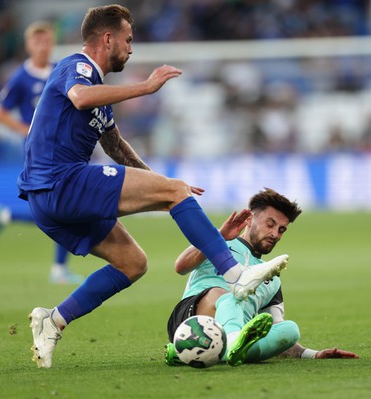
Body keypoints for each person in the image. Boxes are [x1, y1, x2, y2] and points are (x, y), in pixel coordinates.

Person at [18, 5, 289, 369]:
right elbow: (80, 98)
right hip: (59, 180)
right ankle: (236, 276)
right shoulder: (77, 67)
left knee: (133, 262)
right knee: (174, 191)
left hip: (48, 200)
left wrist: (160, 185)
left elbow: (115, 146)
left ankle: (54, 319)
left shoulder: (96, 90)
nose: (131, 49)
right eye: (128, 40)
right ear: (107, 38)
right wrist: (146, 88)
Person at [165, 188, 360, 366]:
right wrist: (219, 237)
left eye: (281, 230)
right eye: (270, 224)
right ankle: (220, 343)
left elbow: (273, 329)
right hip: (191, 320)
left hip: (232, 332)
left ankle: (204, 351)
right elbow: (180, 266)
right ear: (249, 219)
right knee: (228, 294)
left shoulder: (272, 276)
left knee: (290, 330)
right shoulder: (221, 242)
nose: (275, 234)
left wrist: (313, 354)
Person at [0, 21, 82, 285]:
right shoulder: (21, 77)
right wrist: (26, 130)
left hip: (64, 147)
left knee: (59, 205)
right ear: (28, 45)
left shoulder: (59, 70)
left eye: (46, 41)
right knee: (59, 204)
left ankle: (7, 216)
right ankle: (59, 268)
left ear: (52, 43)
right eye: (37, 41)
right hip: (39, 151)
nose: (42, 46)